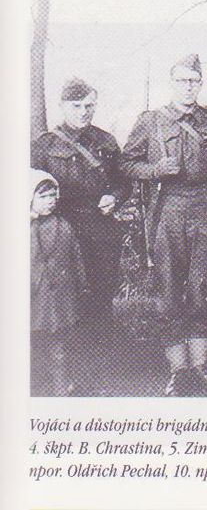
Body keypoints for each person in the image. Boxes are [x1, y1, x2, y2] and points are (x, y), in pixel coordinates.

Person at [120, 54, 207, 397]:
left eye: (194, 81)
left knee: (202, 287)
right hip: (167, 209)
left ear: (200, 84)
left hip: (205, 209)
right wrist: (155, 169)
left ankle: (201, 369)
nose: (188, 87)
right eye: (182, 81)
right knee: (168, 292)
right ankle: (178, 371)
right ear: (171, 84)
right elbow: (127, 163)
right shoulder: (152, 121)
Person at [31, 78, 127, 319]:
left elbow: (124, 181)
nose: (84, 112)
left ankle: (102, 349)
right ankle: (69, 352)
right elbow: (27, 186)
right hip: (61, 227)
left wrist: (114, 197)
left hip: (100, 225)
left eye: (89, 106)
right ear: (62, 106)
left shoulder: (106, 141)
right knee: (65, 293)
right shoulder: (45, 144)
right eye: (76, 106)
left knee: (102, 292)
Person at [30, 169, 87, 396]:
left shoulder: (63, 225)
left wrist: (82, 284)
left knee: (58, 343)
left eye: (53, 195)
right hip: (32, 295)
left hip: (57, 296)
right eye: (43, 196)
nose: (50, 201)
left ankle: (61, 386)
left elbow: (76, 256)